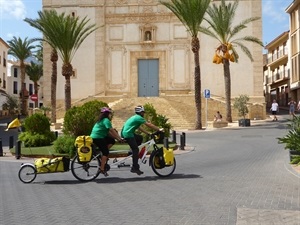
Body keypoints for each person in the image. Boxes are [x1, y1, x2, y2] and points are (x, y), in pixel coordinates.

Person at [121, 105, 162, 175]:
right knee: (135, 149)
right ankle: (135, 167)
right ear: (140, 112)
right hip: (128, 134)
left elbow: (139, 128)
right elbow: (149, 124)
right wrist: (158, 129)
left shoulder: (135, 117)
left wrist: (148, 133)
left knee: (140, 138)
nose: (144, 114)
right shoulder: (139, 118)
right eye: (143, 112)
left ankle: (132, 152)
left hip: (126, 133)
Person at [90, 107, 124, 177]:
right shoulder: (106, 120)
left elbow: (109, 133)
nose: (110, 115)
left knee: (111, 140)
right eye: (110, 114)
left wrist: (117, 138)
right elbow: (111, 130)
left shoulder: (100, 120)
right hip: (98, 138)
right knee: (106, 152)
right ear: (107, 114)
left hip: (95, 137)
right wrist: (119, 138)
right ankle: (101, 168)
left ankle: (101, 153)